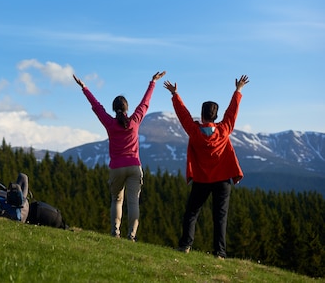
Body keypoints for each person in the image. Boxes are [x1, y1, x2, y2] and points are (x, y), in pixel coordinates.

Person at [163, 75, 249, 259]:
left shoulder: (194, 132)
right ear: (216, 116)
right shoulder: (224, 129)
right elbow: (232, 112)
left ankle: (185, 245)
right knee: (220, 217)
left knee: (191, 213)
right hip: (223, 180)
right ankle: (220, 253)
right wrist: (238, 90)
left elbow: (183, 114)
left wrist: (175, 94)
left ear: (201, 115)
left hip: (202, 179)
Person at [73, 71, 166, 241]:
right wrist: (153, 82)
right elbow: (145, 103)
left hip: (116, 168)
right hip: (134, 166)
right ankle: (131, 235)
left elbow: (97, 107)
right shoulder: (135, 120)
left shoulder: (109, 123)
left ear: (114, 109)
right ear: (127, 108)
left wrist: (84, 88)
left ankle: (115, 233)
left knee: (116, 201)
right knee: (133, 203)